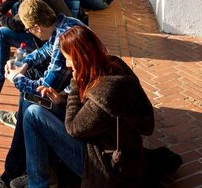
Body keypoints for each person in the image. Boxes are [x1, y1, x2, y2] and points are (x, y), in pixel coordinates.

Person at [60, 25, 181, 187]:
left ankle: (37, 179)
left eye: (68, 58)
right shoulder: (114, 65)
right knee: (40, 109)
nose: (67, 64)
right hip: (124, 154)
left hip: (106, 165)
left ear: (81, 58)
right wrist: (61, 98)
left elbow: (73, 128)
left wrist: (75, 82)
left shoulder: (105, 94)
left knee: (35, 115)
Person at [0, 0, 86, 188]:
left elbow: (47, 87)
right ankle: (28, 169)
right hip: (72, 101)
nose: (67, 64)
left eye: (29, 29)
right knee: (29, 98)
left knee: (32, 106)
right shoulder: (64, 26)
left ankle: (16, 171)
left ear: (37, 27)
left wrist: (16, 78)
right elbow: (43, 53)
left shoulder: (64, 39)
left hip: (77, 114)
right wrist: (23, 64)